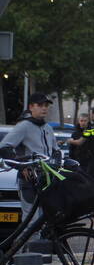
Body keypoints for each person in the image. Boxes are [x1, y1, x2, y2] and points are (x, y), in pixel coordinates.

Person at [0, 93, 59, 225]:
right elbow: (4, 147)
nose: (44, 108)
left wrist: (56, 162)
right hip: (29, 181)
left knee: (45, 222)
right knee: (31, 223)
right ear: (31, 107)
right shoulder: (24, 126)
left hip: (46, 180)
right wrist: (22, 165)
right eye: (40, 105)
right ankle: (25, 246)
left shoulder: (47, 127)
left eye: (46, 106)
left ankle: (41, 245)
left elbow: (55, 150)